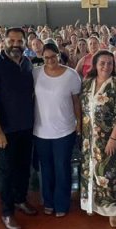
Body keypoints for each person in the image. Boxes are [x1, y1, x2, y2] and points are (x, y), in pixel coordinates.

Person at [0, 27, 38, 229]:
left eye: (19, 41)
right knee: (7, 171)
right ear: (4, 42)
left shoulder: (27, 64)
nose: (15, 44)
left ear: (25, 43)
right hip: (5, 130)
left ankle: (20, 200)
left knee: (24, 167)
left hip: (26, 127)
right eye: (11, 41)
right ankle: (7, 212)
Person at [80, 50, 116, 227]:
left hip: (109, 139)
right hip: (89, 139)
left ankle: (114, 211)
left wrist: (113, 139)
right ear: (95, 64)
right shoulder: (87, 84)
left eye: (110, 63)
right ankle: (93, 205)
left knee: (110, 173)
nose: (106, 66)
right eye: (102, 63)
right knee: (92, 172)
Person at [33, 41, 81, 218]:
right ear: (42, 57)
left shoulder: (71, 75)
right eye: (46, 58)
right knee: (46, 168)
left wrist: (79, 125)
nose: (50, 60)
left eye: (53, 57)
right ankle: (49, 201)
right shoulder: (36, 74)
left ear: (59, 56)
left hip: (65, 130)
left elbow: (77, 102)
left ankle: (62, 203)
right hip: (41, 131)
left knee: (62, 167)